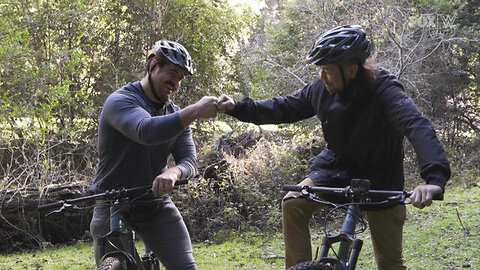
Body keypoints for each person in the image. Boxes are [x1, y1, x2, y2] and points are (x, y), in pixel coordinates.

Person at [216, 25, 450, 270]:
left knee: (390, 264)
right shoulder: (321, 90)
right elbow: (282, 107)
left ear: (351, 69)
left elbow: (416, 125)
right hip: (335, 171)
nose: (322, 77)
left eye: (327, 70)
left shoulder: (385, 90)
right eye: (320, 69)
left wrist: (434, 178)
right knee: (293, 202)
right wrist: (237, 107)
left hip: (381, 179)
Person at [90, 40, 219, 269]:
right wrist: (195, 110)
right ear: (152, 65)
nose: (176, 82)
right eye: (172, 72)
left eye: (180, 77)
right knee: (114, 264)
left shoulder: (176, 114)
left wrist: (174, 171)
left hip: (154, 203)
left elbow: (189, 161)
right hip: (112, 202)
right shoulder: (121, 101)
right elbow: (145, 131)